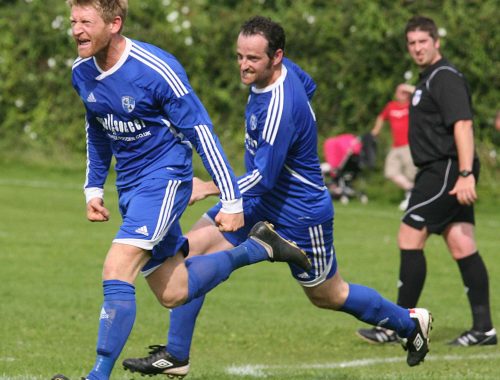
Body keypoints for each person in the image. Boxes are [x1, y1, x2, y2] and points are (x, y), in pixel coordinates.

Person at [122, 16, 432, 378]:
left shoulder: (279, 107)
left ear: (276, 57)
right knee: (192, 251)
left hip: (301, 214)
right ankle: (176, 355)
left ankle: (411, 325)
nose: (243, 65)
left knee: (329, 295)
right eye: (240, 56)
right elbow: (309, 87)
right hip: (258, 198)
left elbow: (263, 176)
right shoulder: (288, 74)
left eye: (253, 59)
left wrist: (208, 186)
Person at [51, 3, 312, 380]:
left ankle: (97, 376)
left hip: (165, 179)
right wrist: (93, 186)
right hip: (130, 187)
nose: (76, 30)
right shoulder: (82, 72)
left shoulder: (156, 69)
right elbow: (97, 127)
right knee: (173, 291)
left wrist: (232, 199)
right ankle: (260, 248)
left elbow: (201, 132)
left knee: (117, 266)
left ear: (115, 23)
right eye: (73, 21)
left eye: (86, 22)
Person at [358, 15, 496, 347]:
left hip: (444, 170)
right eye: (412, 43)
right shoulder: (429, 79)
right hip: (438, 169)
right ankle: (484, 330)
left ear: (437, 42)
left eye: (423, 41)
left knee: (409, 234)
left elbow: (463, 125)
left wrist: (464, 174)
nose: (418, 48)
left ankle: (399, 325)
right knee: (462, 244)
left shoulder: (445, 76)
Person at [370, 84, 417, 210]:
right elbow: (381, 117)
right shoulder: (391, 106)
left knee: (411, 174)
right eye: (400, 92)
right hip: (396, 146)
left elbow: (421, 93)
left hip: (410, 145)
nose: (402, 94)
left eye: (404, 92)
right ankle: (412, 191)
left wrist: (407, 87)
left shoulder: (412, 105)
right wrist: (376, 131)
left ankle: (412, 198)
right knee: (391, 172)